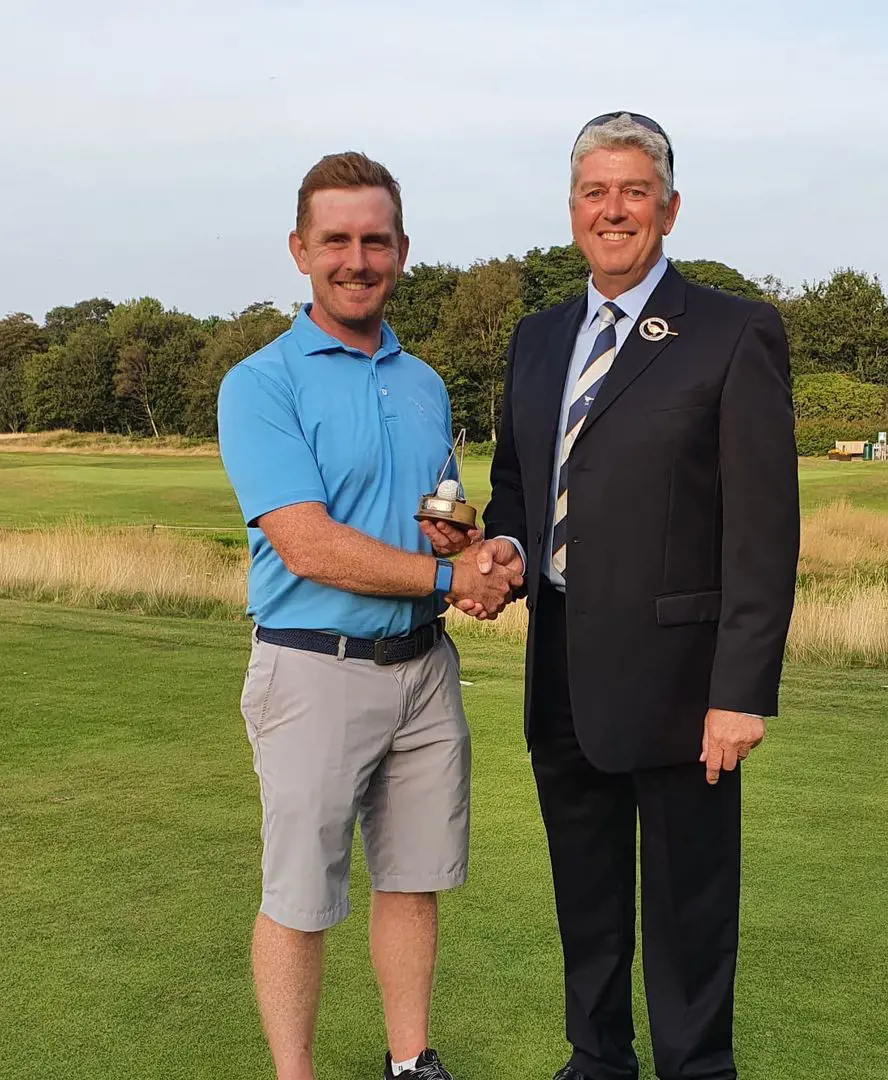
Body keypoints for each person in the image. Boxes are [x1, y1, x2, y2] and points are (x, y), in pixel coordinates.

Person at [476, 113, 800, 1079]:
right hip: (563, 664)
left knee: (689, 908)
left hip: (683, 678)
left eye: (632, 191)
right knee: (587, 896)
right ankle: (596, 1060)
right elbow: (518, 491)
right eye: (593, 192)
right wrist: (495, 548)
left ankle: (696, 1068)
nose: (612, 210)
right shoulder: (538, 339)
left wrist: (741, 690)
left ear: (668, 207)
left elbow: (763, 529)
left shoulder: (733, 330)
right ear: (572, 207)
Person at [217, 151, 519, 1080]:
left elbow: (434, 522)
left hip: (425, 671)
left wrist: (479, 555)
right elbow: (307, 544)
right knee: (300, 897)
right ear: (301, 249)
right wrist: (444, 583)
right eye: (337, 240)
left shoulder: (424, 383)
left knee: (414, 879)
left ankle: (409, 1060)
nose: (357, 258)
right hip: (313, 666)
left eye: (375, 240)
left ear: (402, 250)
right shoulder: (261, 383)